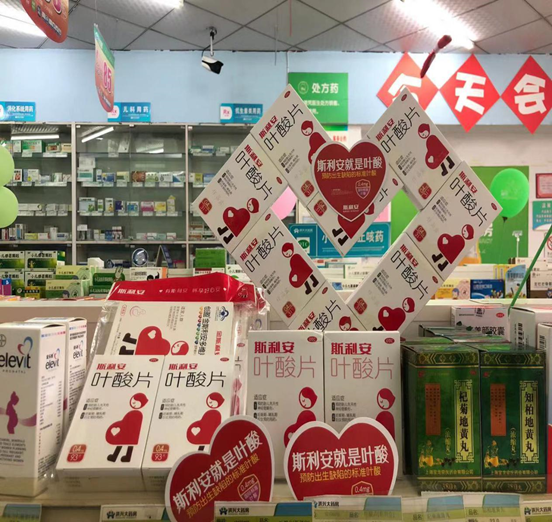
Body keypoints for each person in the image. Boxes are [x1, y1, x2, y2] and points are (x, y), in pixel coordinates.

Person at [107, 393, 148, 463]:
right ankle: (116, 456)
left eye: (135, 402)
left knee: (128, 446)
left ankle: (126, 457)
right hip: (127, 431)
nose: (133, 404)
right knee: (121, 444)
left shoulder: (138, 414)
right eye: (133, 402)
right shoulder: (134, 413)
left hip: (131, 432)